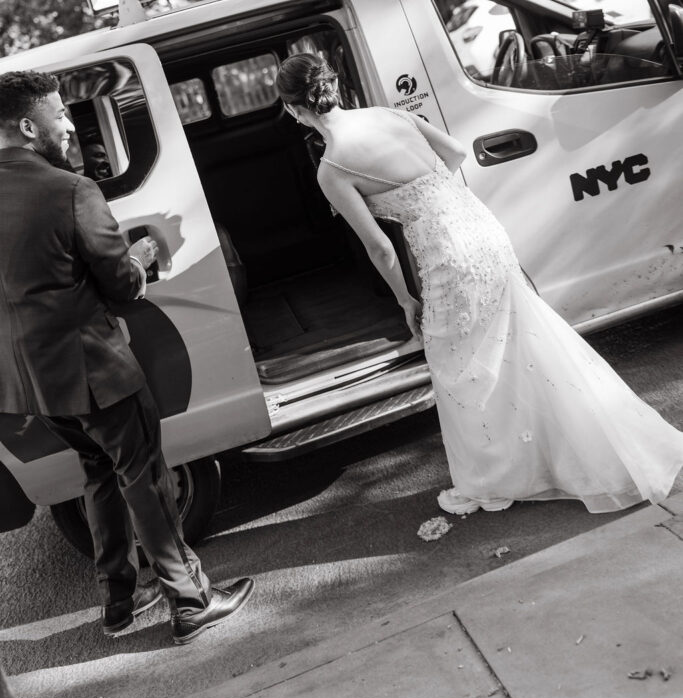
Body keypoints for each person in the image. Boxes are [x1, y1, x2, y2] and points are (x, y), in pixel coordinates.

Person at [275, 52, 683, 515]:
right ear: (333, 86)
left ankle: (501, 475)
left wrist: (404, 299)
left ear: (294, 109)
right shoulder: (391, 114)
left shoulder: (332, 168)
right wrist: (434, 199)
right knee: (522, 345)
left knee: (461, 366)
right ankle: (580, 446)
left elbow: (381, 249)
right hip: (481, 229)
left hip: (448, 256)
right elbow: (455, 152)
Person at [0, 70, 254, 643]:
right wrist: (138, 257)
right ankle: (191, 601)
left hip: (27, 381)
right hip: (94, 369)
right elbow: (120, 284)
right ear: (25, 125)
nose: (68, 124)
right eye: (59, 113)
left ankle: (119, 602)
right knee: (145, 476)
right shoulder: (71, 190)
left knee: (99, 474)